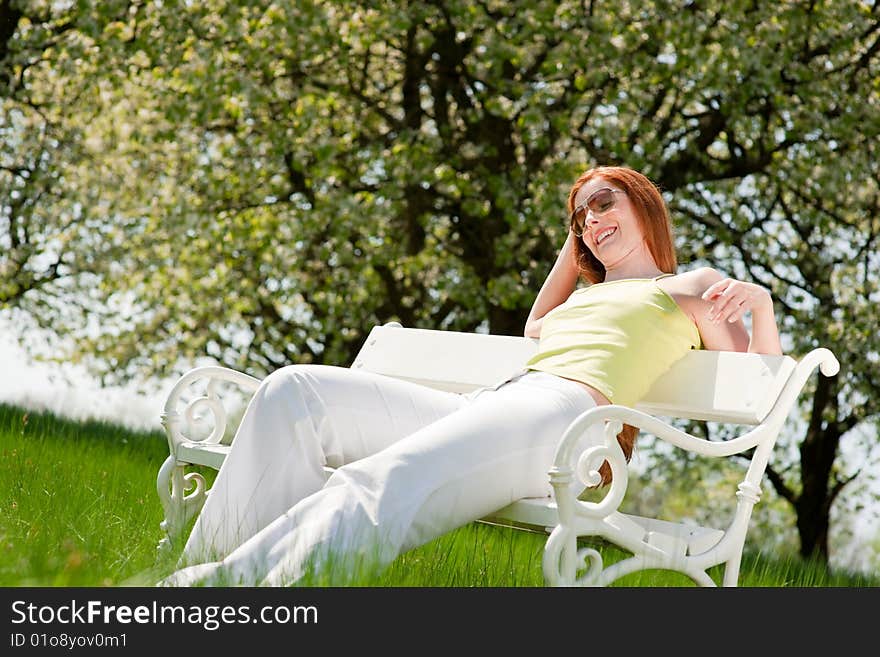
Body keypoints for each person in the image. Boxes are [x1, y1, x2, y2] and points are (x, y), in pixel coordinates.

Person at [160, 165, 782, 587]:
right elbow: (537, 321)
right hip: (503, 403)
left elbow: (758, 377)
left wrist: (761, 307)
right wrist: (581, 239)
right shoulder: (581, 298)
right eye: (579, 216)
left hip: (564, 422)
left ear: (643, 203)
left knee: (382, 482)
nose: (591, 220)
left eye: (603, 203)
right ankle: (206, 570)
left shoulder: (689, 286)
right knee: (291, 391)